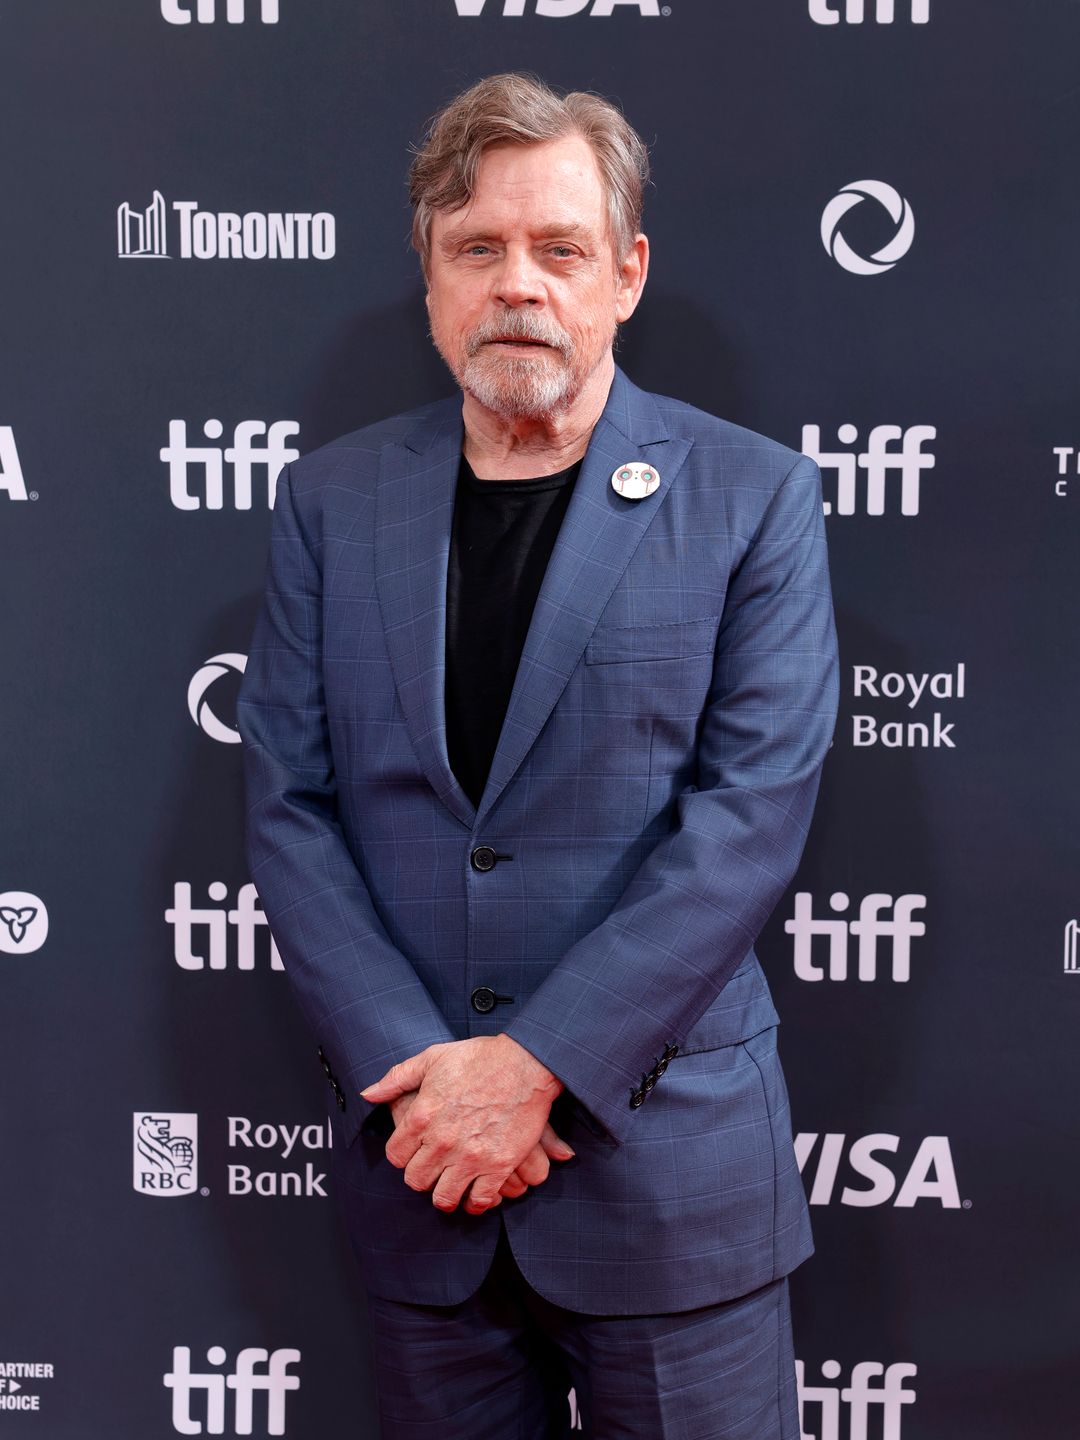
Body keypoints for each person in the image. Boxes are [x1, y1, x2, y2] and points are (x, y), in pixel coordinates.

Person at [238, 71, 838, 1440]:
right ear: (433, 277)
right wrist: (430, 1084)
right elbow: (290, 807)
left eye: (559, 248)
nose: (519, 283)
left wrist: (534, 1070)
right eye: (478, 248)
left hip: (667, 1184)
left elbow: (745, 822)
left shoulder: (751, 498)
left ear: (624, 273)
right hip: (423, 1173)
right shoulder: (331, 504)